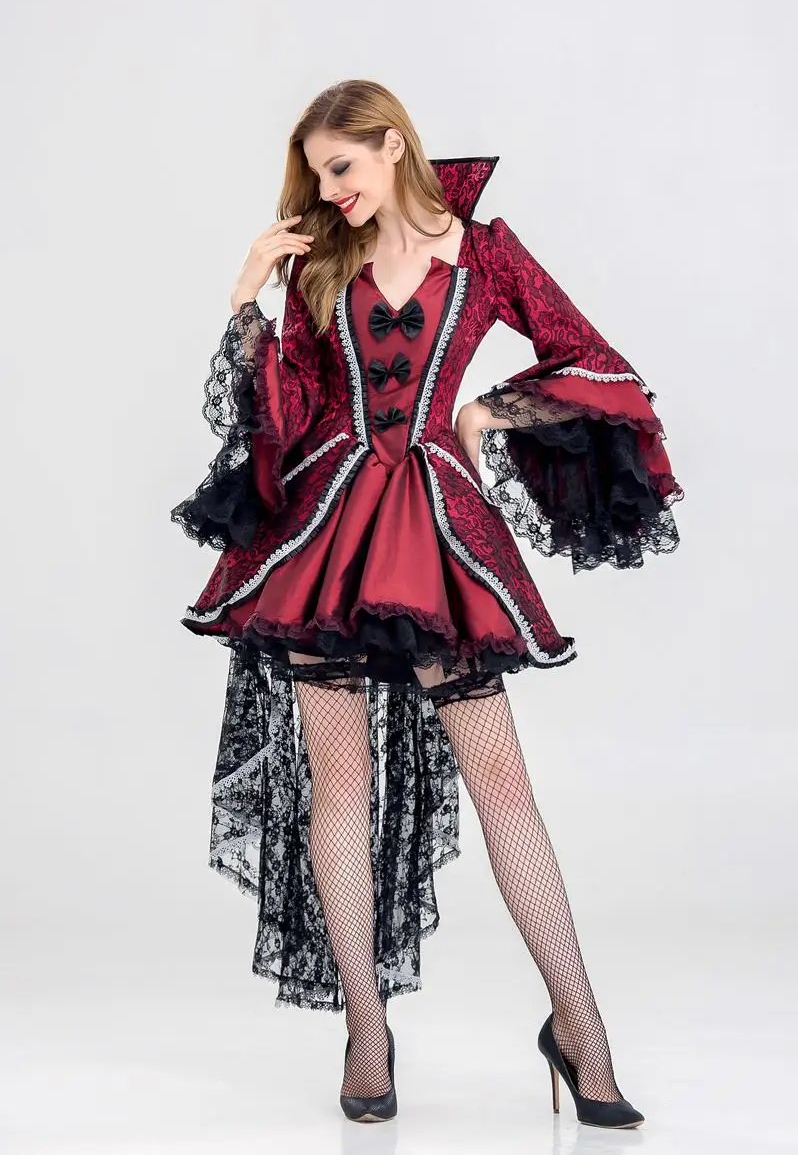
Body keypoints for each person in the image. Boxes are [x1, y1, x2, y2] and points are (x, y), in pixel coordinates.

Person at [171, 79, 683, 1127]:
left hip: (437, 536)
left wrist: (485, 412)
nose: (330, 191)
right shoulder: (319, 264)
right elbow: (285, 415)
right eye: (317, 176)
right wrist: (248, 303)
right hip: (326, 537)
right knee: (338, 787)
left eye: (341, 167)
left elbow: (593, 361)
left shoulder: (484, 252)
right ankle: (366, 1032)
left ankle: (580, 1029)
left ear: (392, 146)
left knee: (504, 786)